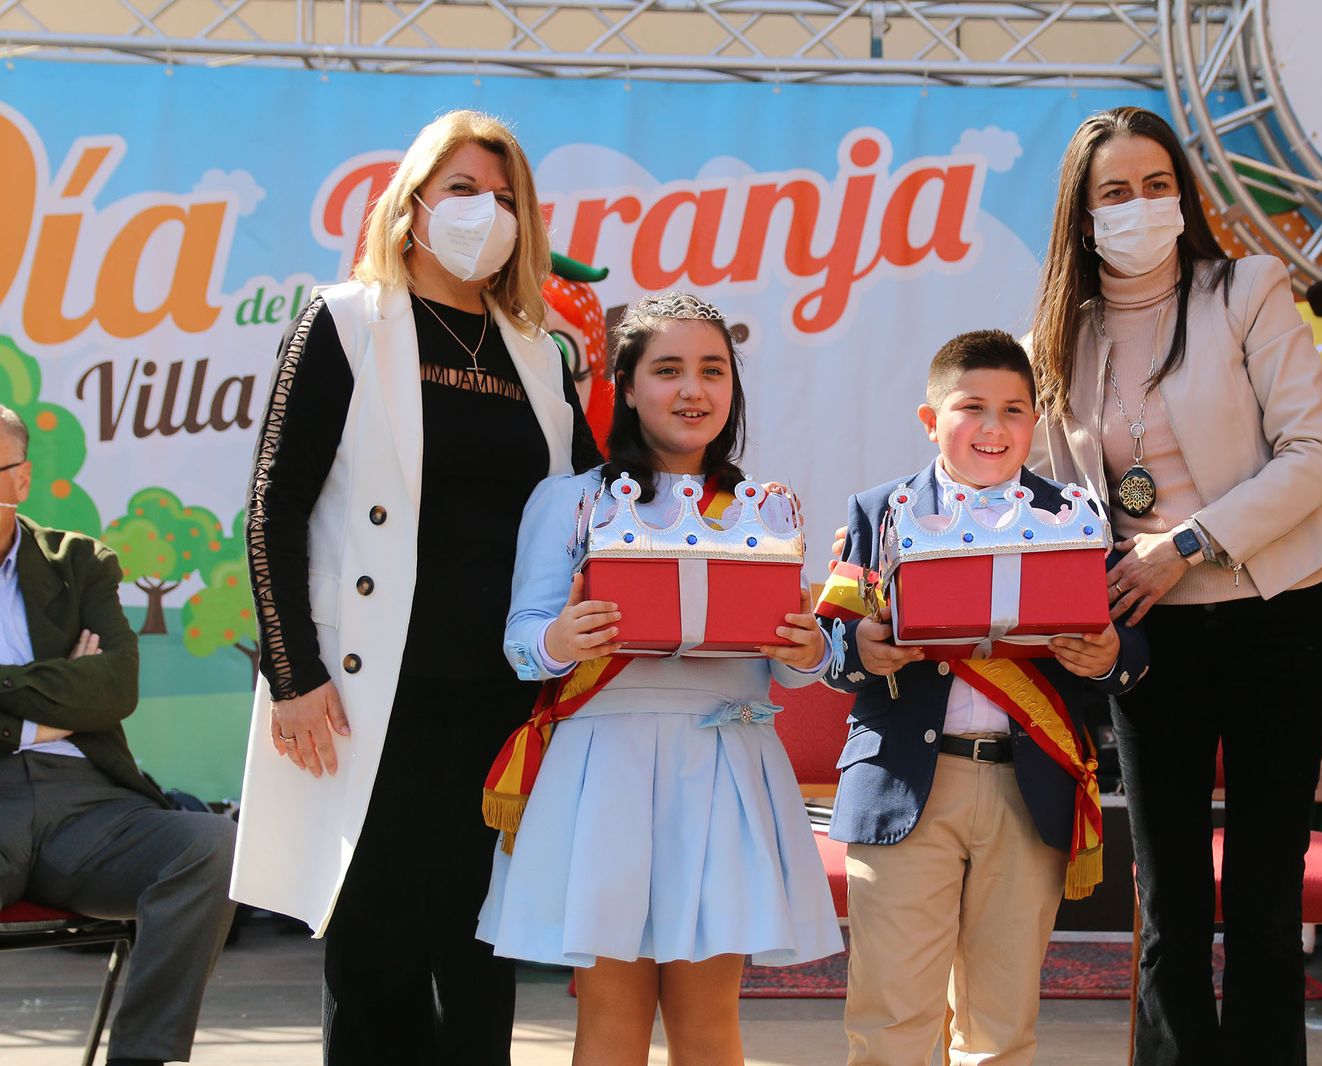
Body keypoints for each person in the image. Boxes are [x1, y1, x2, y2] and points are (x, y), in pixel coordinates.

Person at [230, 110, 601, 1066]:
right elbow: (271, 505)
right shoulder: (345, 321)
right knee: (378, 965)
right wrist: (292, 674)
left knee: (481, 962)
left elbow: (600, 505)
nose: (488, 213)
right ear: (411, 208)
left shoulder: (539, 351)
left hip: (505, 701)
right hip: (367, 700)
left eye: (508, 197)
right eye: (466, 191)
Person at [1027, 106, 1322, 1065]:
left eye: (1156, 186)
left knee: (1260, 893)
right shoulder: (1058, 335)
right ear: (1082, 218)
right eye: (1113, 193)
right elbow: (1053, 506)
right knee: (1167, 898)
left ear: (1184, 195)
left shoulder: (1247, 288)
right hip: (1149, 640)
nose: (1139, 207)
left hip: (1276, 619)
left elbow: (1314, 455)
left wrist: (1189, 542)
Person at [476, 291, 842, 1066]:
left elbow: (788, 666)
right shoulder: (571, 500)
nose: (692, 390)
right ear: (629, 385)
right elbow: (518, 644)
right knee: (611, 1022)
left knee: (710, 1025)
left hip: (726, 770)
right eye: (668, 369)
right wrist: (558, 638)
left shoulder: (763, 510)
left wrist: (808, 652)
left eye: (713, 370)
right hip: (605, 772)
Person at [819, 330, 1149, 1065]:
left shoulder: (1074, 516)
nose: (996, 428)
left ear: (1037, 423)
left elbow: (1127, 647)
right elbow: (829, 647)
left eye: (1016, 410)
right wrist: (862, 652)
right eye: (972, 408)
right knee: (890, 1020)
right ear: (931, 421)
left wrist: (1108, 656)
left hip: (1025, 788)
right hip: (903, 785)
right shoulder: (882, 511)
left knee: (999, 1026)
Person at [0, 403, 237, 1066]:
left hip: (87, 807)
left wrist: (18, 703)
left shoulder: (78, 563)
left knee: (208, 846)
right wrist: (54, 701)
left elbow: (116, 689)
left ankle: (142, 1059)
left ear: (20, 481)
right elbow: (86, 693)